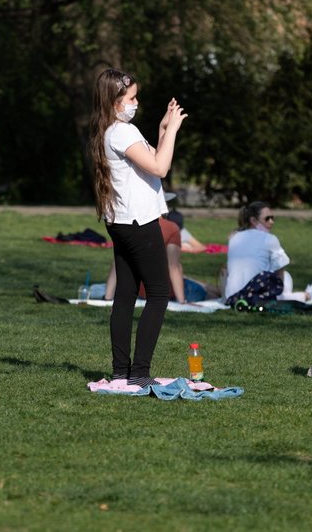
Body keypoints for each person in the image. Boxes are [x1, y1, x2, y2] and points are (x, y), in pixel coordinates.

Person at [89, 67, 186, 387]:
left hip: (121, 223)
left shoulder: (113, 131)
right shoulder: (123, 133)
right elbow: (161, 166)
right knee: (159, 295)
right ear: (114, 102)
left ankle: (122, 372)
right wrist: (172, 130)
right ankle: (139, 373)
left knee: (126, 296)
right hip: (138, 224)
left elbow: (151, 162)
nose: (136, 102)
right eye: (131, 97)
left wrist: (161, 130)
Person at [223, 201, 312, 307]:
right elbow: (280, 274)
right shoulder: (269, 239)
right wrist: (280, 294)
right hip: (255, 298)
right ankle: (308, 295)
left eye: (272, 218)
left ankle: (301, 294)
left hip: (232, 297)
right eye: (267, 218)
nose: (271, 222)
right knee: (285, 277)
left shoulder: (234, 238)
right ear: (253, 220)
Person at [103, 215, 213, 304]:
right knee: (202, 290)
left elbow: (117, 262)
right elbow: (173, 267)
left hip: (137, 291)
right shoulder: (170, 228)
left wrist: (108, 298)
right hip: (162, 291)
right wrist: (181, 302)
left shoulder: (127, 227)